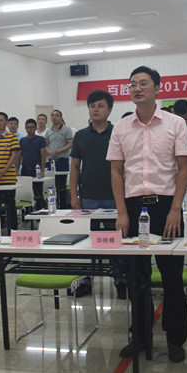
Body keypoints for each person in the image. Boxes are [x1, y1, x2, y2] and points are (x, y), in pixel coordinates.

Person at [107, 66, 187, 363]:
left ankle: (175, 339)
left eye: (143, 83)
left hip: (166, 206)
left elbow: (184, 168)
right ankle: (141, 337)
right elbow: (116, 171)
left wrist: (175, 209)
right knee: (136, 278)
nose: (137, 88)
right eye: (132, 84)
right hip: (133, 208)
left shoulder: (175, 123)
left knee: (172, 278)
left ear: (158, 88)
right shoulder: (121, 127)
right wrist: (121, 212)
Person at [70, 90, 126, 299]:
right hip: (88, 197)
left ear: (110, 110)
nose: (95, 109)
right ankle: (86, 280)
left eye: (100, 106)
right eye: (92, 106)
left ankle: (120, 279)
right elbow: (75, 167)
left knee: (115, 240)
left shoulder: (118, 133)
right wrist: (74, 195)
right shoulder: (81, 135)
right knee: (88, 241)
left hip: (114, 196)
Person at [45, 109, 73, 207]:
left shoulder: (66, 129)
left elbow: (70, 144)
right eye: (52, 115)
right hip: (51, 161)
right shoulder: (48, 131)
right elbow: (45, 145)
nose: (54, 117)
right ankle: (54, 205)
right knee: (52, 184)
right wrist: (50, 152)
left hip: (62, 160)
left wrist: (58, 151)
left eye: (57, 115)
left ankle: (63, 205)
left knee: (61, 184)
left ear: (61, 118)